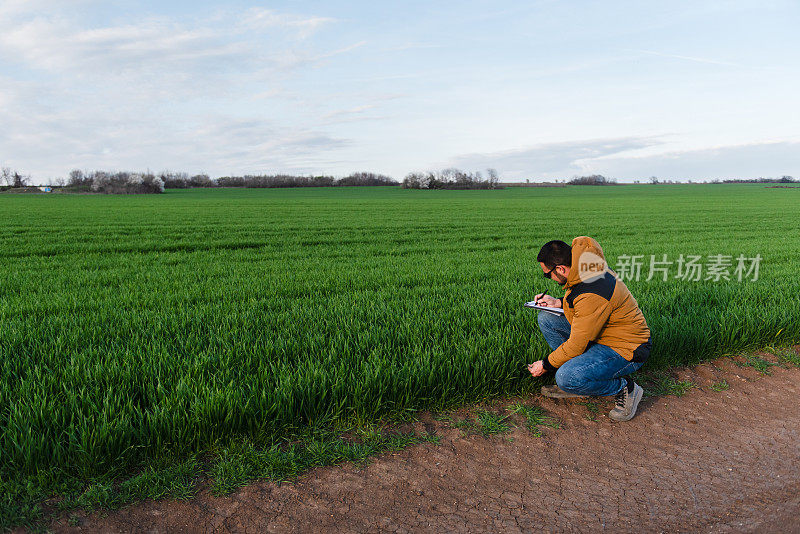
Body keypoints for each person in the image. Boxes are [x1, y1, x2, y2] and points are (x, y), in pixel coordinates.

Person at [527, 236, 651, 422]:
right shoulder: (585, 266)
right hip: (603, 334)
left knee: (567, 377)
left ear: (561, 269)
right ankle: (577, 382)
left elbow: (578, 342)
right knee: (547, 318)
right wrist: (557, 302)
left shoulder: (593, 289)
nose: (549, 278)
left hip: (626, 348)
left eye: (548, 274)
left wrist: (545, 364)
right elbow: (584, 306)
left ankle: (625, 388)